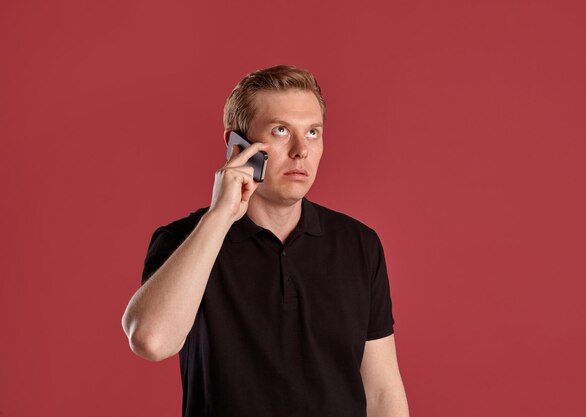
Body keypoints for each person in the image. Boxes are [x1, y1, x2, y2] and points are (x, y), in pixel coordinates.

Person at [121, 65, 410, 417]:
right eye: (281, 130)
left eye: (313, 132)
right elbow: (151, 341)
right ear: (237, 143)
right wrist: (219, 216)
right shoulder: (185, 240)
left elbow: (381, 392)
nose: (301, 150)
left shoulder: (359, 244)